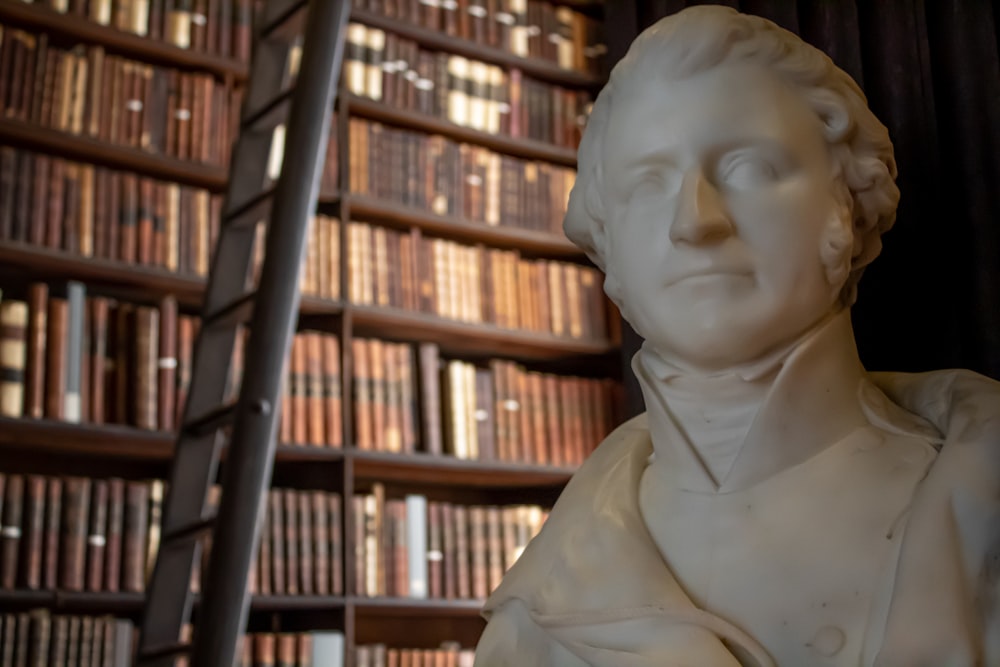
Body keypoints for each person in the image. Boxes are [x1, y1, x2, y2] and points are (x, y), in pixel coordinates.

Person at [474, 6, 1000, 667]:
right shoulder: (542, 606)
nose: (695, 222)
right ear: (608, 243)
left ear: (846, 200)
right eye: (647, 183)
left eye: (748, 166)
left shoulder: (981, 494)